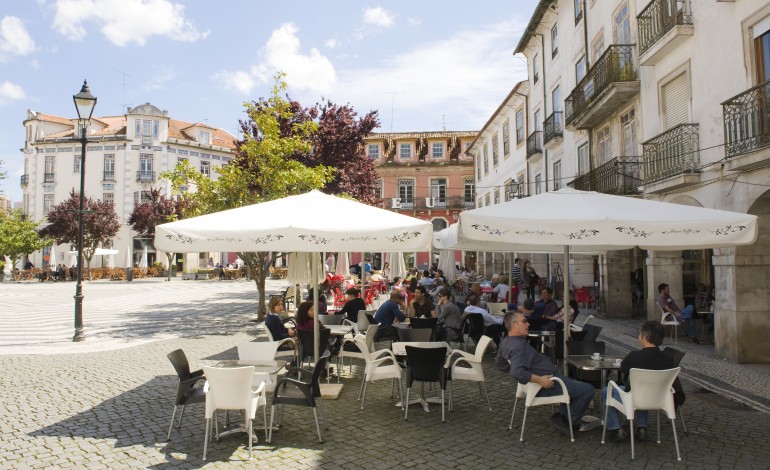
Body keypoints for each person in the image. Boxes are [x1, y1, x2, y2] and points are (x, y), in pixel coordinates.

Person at [496, 311, 595, 436]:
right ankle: (568, 420)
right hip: (546, 384)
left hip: (545, 381)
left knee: (574, 384)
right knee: (588, 390)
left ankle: (562, 415)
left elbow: (501, 364)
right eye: (524, 321)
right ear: (514, 325)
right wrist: (539, 380)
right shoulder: (518, 346)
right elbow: (517, 372)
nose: (528, 324)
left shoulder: (506, 341)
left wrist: (524, 369)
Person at [602, 320, 686, 442]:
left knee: (607, 391)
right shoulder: (668, 359)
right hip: (659, 399)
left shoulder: (634, 356)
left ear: (644, 337)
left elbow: (623, 368)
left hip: (634, 399)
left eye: (639, 333)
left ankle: (616, 428)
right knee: (644, 388)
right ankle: (642, 427)